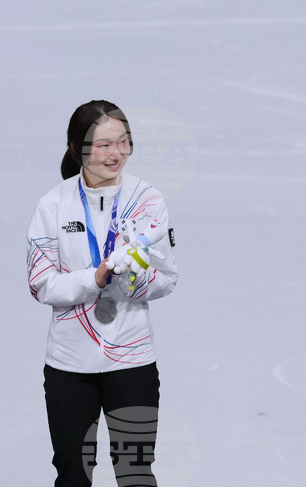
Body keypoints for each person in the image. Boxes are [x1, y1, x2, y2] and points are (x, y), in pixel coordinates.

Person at [27, 100, 178, 486]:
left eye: (124, 142)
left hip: (132, 364)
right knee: (73, 476)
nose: (117, 154)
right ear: (78, 148)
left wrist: (133, 276)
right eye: (105, 145)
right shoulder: (53, 205)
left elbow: (167, 279)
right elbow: (41, 284)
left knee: (135, 474)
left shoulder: (148, 201)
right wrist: (93, 279)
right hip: (68, 367)